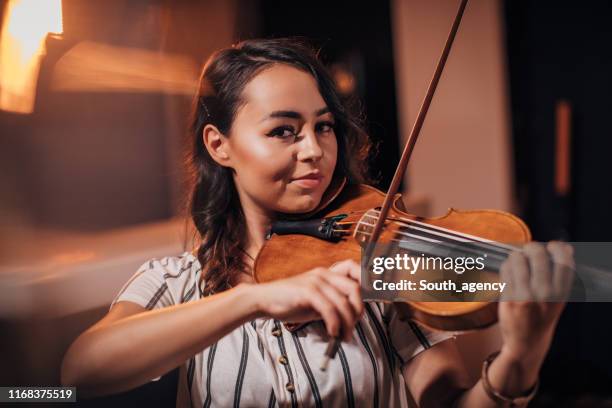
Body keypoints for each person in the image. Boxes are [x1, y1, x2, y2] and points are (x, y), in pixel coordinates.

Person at [61, 38, 575, 407]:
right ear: (220, 146)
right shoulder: (177, 281)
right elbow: (78, 374)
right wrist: (251, 299)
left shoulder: (379, 270)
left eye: (323, 127)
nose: (314, 151)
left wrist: (519, 364)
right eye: (284, 130)